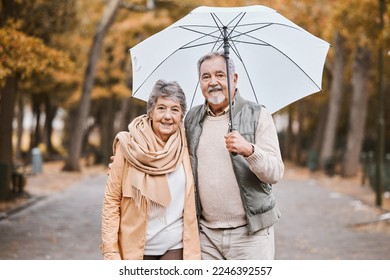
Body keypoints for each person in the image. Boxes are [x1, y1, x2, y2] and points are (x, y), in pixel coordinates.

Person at [184, 50, 284, 260]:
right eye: (206, 76)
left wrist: (250, 151)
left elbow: (275, 172)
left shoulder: (258, 115)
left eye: (220, 75)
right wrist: (129, 163)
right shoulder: (191, 119)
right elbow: (172, 157)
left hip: (251, 236)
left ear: (234, 78)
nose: (213, 82)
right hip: (206, 237)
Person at [101, 79, 201, 260]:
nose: (168, 116)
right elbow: (111, 201)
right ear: (151, 111)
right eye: (161, 108)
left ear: (181, 116)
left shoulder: (188, 144)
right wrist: (110, 251)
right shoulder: (129, 146)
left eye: (175, 110)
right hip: (136, 249)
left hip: (176, 247)